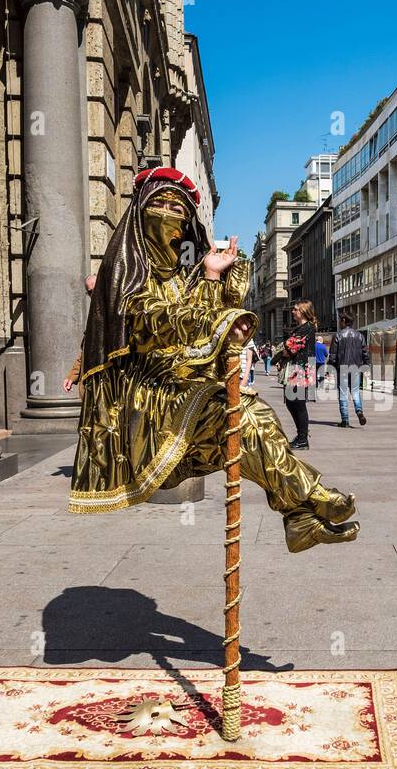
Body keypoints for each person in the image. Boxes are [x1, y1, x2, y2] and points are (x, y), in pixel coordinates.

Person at [68, 167, 358, 552]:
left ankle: (300, 516)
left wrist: (211, 275)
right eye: (161, 203)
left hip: (187, 392)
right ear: (140, 211)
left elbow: (201, 324)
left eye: (179, 207)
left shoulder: (179, 275)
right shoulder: (125, 271)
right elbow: (158, 320)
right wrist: (216, 313)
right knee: (246, 421)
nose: (171, 213)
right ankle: (309, 497)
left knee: (256, 421)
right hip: (149, 404)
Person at [279, 300, 318, 449]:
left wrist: (285, 349)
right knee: (291, 402)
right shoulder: (300, 328)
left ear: (302, 311)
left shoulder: (307, 328)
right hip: (297, 370)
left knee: (298, 404)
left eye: (295, 309)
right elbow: (288, 346)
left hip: (302, 370)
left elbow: (290, 348)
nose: (293, 311)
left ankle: (303, 439)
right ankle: (301, 436)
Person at [330, 314, 369, 428]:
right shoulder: (360, 336)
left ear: (343, 321)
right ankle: (359, 411)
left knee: (343, 393)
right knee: (355, 391)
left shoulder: (338, 335)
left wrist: (331, 366)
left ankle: (345, 420)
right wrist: (366, 364)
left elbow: (333, 354)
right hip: (356, 367)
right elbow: (365, 352)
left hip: (342, 368)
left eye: (340, 321)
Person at [62, 273, 98, 396]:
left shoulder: (115, 311)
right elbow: (85, 353)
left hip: (108, 387)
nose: (94, 294)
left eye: (96, 289)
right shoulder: (94, 316)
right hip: (92, 386)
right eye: (90, 292)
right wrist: (72, 377)